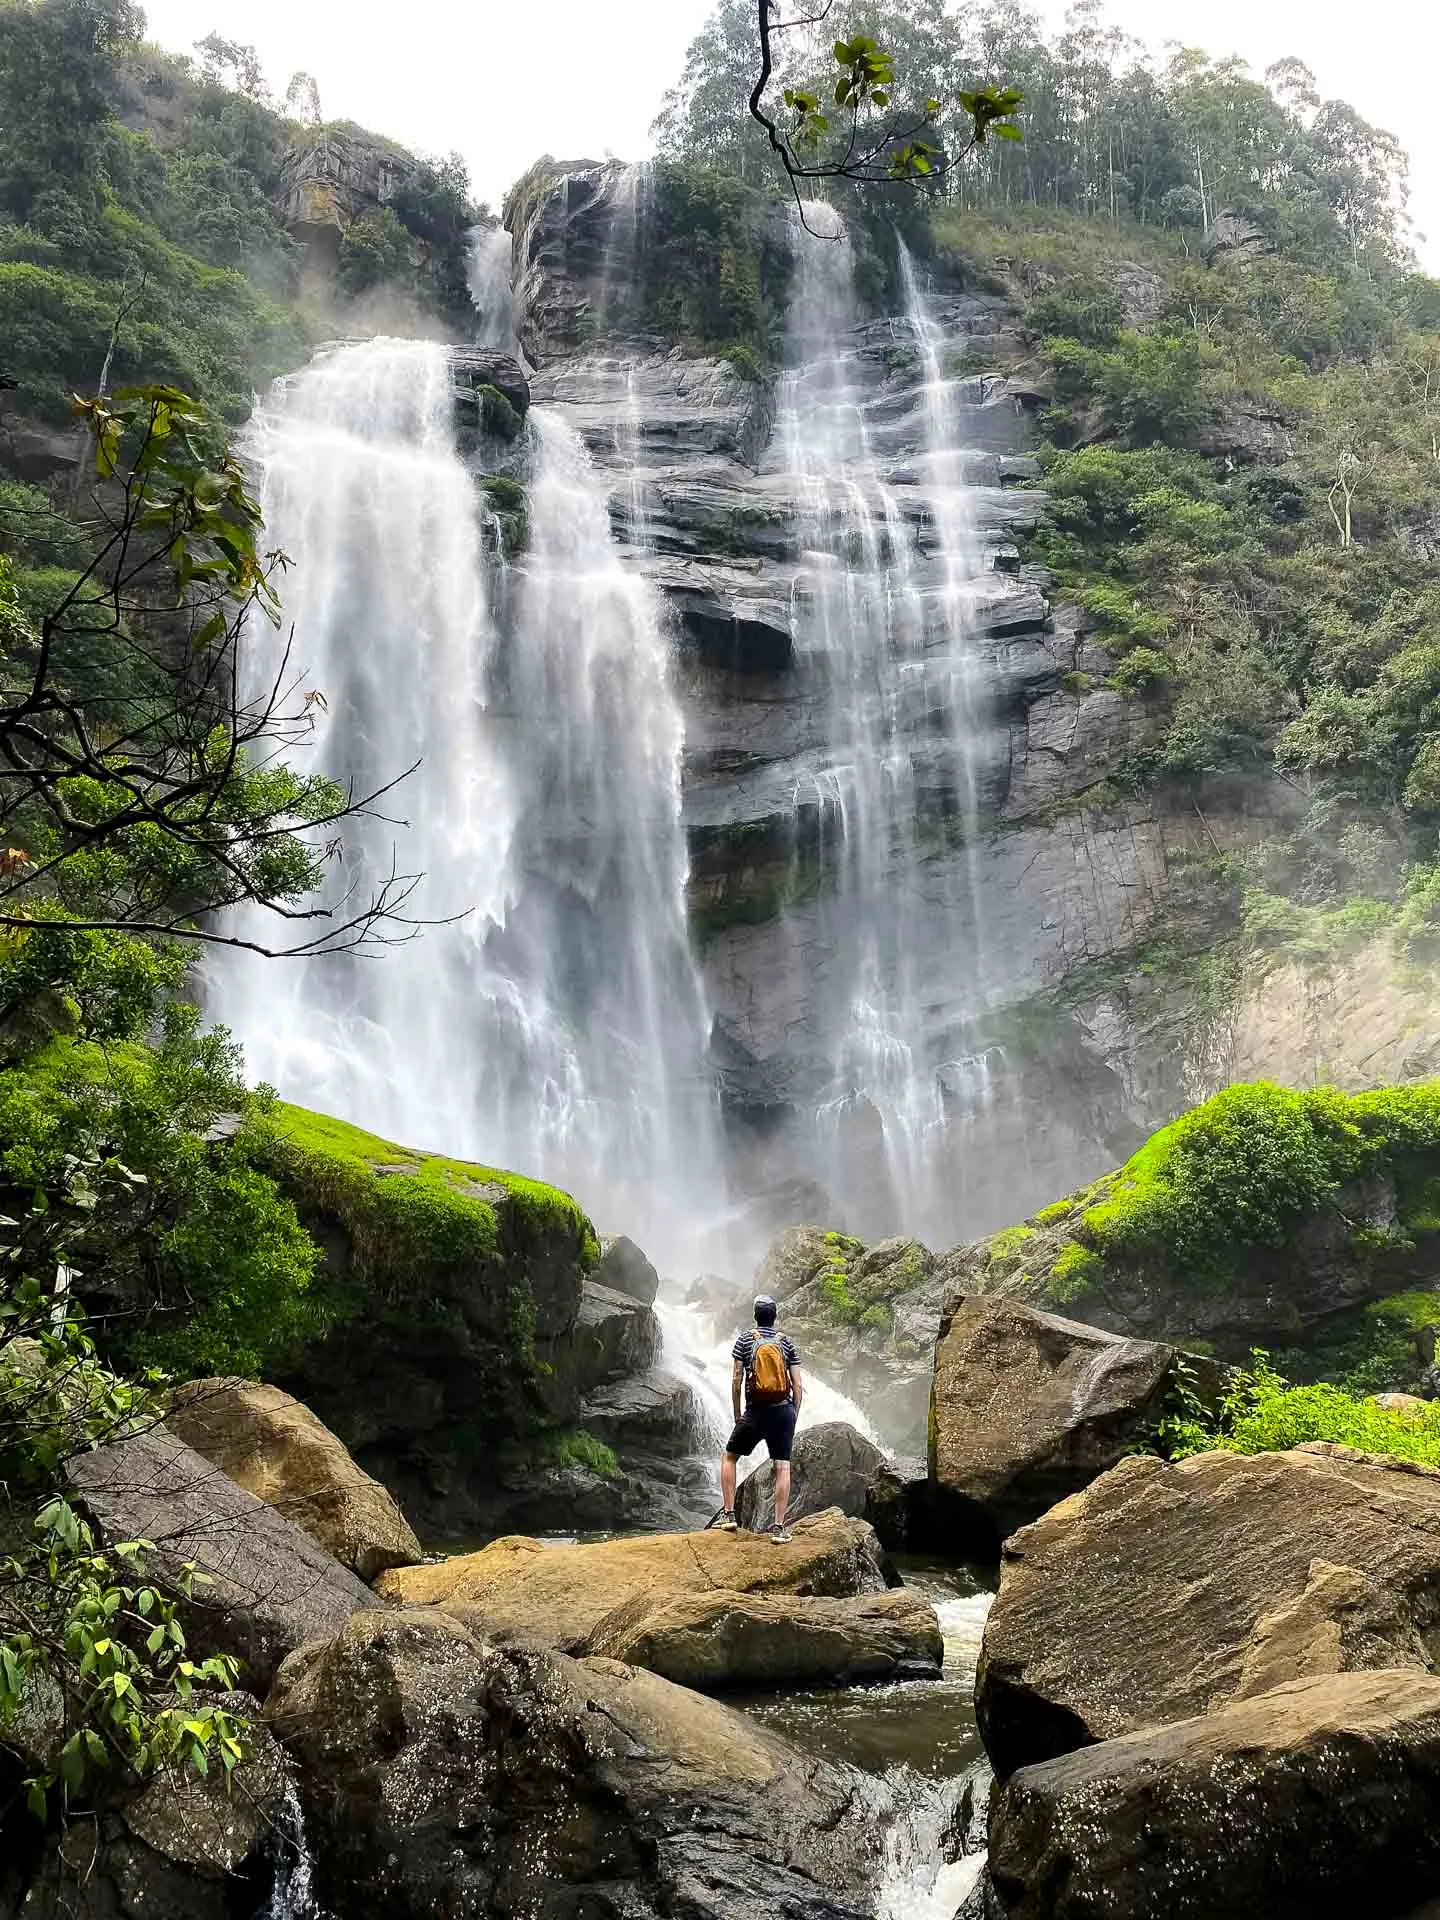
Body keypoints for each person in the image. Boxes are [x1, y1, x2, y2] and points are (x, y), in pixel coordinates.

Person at [716, 1294, 804, 1542]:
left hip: (755, 1410)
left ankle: (729, 1515)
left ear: (755, 1316)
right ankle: (778, 1529)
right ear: (774, 1317)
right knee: (782, 1466)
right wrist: (794, 1413)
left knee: (729, 1456)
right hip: (783, 1410)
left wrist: (737, 1412)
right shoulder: (785, 1342)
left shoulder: (745, 1339)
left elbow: (736, 1379)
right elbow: (797, 1384)